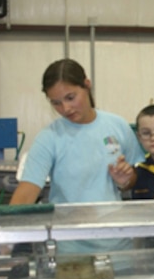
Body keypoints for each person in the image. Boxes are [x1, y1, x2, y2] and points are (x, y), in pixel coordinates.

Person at [9, 58, 144, 257]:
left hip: (116, 246)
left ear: (87, 86)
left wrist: (126, 180)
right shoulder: (49, 138)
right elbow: (26, 192)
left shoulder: (117, 125)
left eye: (70, 98)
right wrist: (4, 233)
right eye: (56, 103)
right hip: (69, 249)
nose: (65, 109)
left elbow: (135, 178)